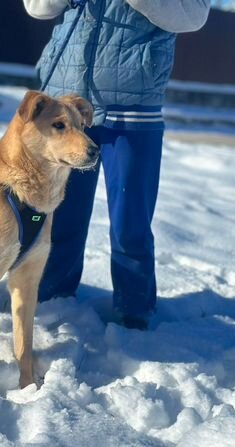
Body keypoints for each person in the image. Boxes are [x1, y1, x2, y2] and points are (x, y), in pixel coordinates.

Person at [23, 0, 210, 329]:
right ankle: (51, 303)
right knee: (60, 217)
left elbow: (194, 15)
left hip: (133, 105)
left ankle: (133, 312)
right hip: (66, 105)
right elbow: (37, 7)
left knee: (131, 223)